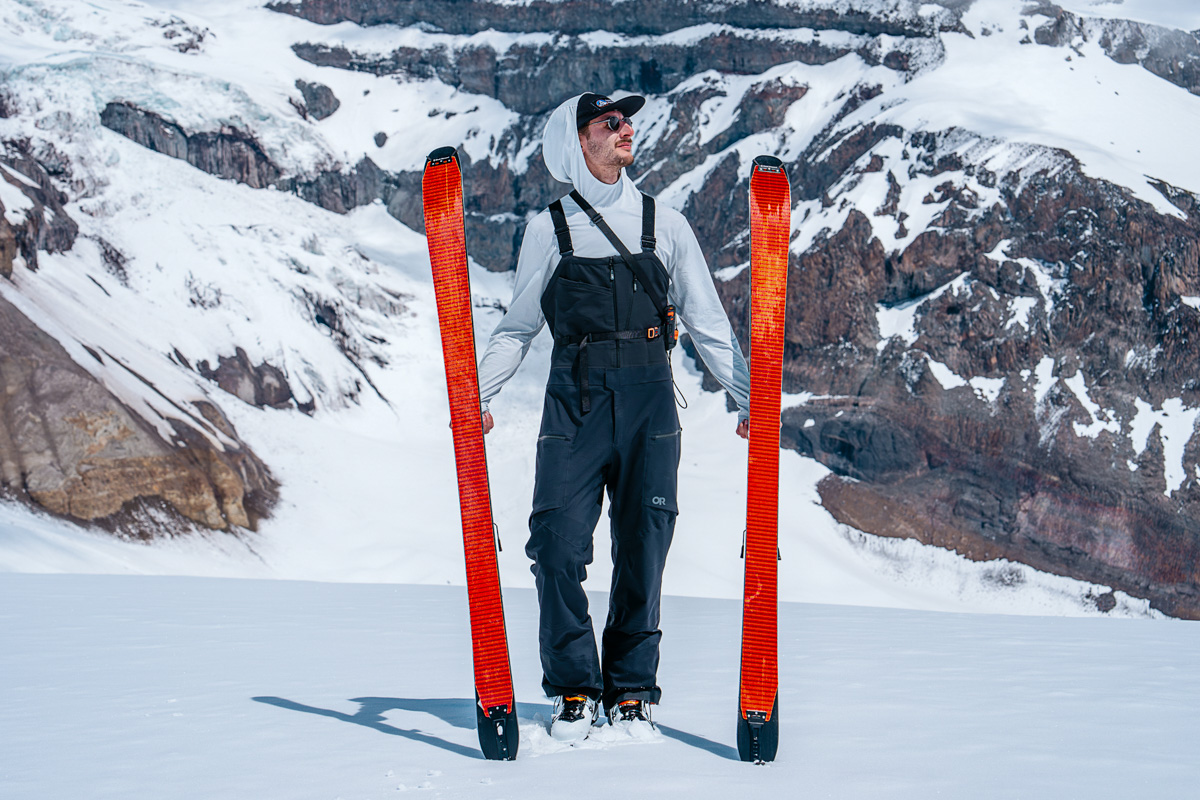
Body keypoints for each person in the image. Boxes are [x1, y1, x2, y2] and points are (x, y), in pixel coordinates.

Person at [476, 91, 751, 741]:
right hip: (572, 401)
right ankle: (574, 687)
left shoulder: (667, 223)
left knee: (644, 546)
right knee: (555, 544)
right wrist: (476, 396)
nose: (627, 128)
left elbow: (710, 326)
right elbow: (516, 329)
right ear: (577, 143)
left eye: (626, 120)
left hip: (651, 397)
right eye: (610, 122)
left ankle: (629, 691)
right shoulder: (550, 229)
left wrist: (749, 399)